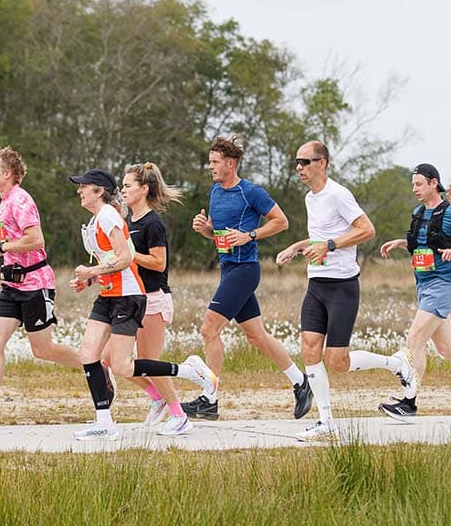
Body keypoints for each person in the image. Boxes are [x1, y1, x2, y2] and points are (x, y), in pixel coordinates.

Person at [69, 169, 216, 440]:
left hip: (133, 296)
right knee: (90, 354)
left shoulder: (113, 216)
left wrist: (92, 272)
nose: (79, 191)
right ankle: (104, 421)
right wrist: (89, 279)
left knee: (127, 364)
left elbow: (126, 258)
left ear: (99, 191)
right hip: (109, 293)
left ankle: (186, 375)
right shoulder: (99, 219)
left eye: (84, 186)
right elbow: (112, 259)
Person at [187, 135, 312, 421]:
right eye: (210, 162)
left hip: (245, 270)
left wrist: (250, 235)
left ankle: (209, 398)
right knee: (257, 337)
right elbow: (218, 236)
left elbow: (281, 221)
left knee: (209, 329)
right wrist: (204, 229)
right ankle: (300, 382)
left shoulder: (250, 192)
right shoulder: (215, 192)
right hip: (228, 268)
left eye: (215, 162)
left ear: (231, 164)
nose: (210, 167)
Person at [0, 146, 92, 429]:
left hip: (35, 285)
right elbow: (17, 243)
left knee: (43, 349)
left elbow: (37, 240)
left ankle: (95, 367)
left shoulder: (20, 200)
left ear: (7, 174)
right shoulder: (5, 202)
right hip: (11, 286)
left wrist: (1, 246)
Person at [275, 141, 378, 441]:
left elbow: (367, 229)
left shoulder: (338, 194)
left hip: (342, 285)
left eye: (305, 162)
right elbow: (317, 237)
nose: (299, 168)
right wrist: (296, 247)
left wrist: (330, 245)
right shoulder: (310, 198)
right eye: (297, 162)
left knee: (337, 361)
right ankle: (325, 420)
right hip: (316, 282)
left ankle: (396, 364)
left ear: (322, 163)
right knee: (309, 348)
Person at [377, 163, 451, 422]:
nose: (414, 188)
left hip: (443, 284)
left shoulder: (449, 213)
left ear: (433, 183)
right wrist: (402, 243)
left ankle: (409, 403)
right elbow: (424, 246)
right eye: (413, 184)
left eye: (419, 184)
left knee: (415, 339)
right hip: (423, 285)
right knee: (447, 348)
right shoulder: (418, 212)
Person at [119, 162, 190, 430]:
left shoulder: (152, 223)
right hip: (132, 299)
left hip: (154, 299)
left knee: (151, 363)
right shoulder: (128, 222)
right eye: (123, 186)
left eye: (128, 186)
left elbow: (159, 263)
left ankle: (179, 416)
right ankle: (157, 398)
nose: (123, 190)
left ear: (144, 189)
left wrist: (130, 254)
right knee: (113, 360)